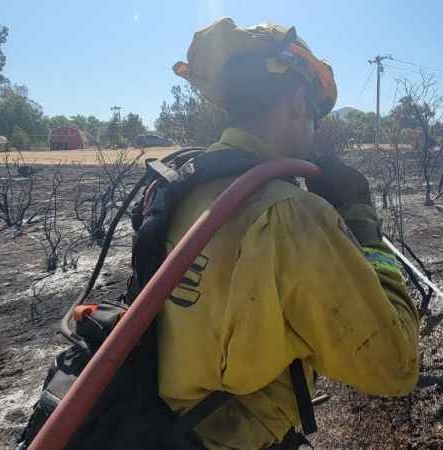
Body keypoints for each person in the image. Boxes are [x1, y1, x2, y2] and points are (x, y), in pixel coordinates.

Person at [159, 18, 420, 449]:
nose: (314, 128)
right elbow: (396, 366)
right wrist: (363, 228)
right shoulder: (288, 213)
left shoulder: (185, 181)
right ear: (299, 102)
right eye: (315, 114)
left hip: (163, 425)